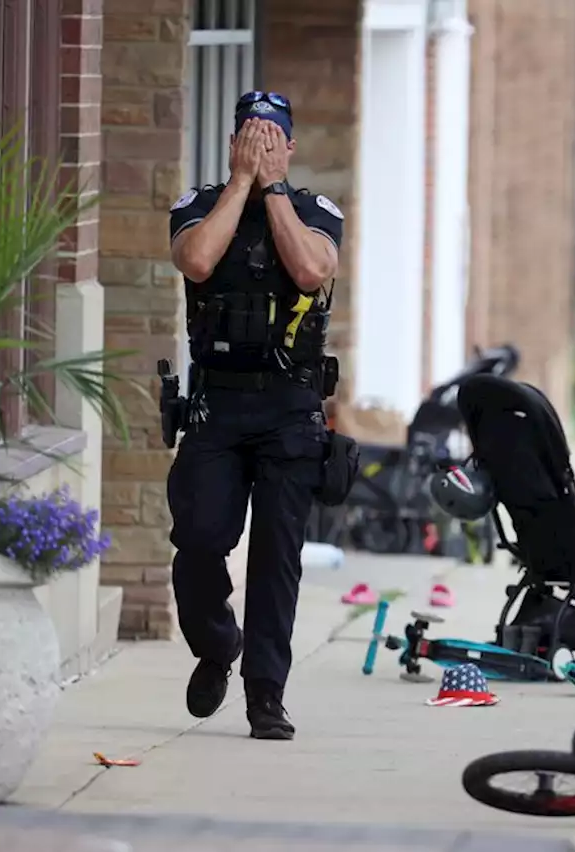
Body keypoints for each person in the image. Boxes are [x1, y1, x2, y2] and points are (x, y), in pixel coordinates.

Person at [165, 91, 344, 741]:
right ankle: (217, 646)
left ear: (291, 147)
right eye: (251, 135)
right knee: (199, 541)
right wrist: (241, 182)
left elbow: (307, 269)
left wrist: (271, 189)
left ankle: (266, 693)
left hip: (289, 408)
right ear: (233, 142)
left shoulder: (314, 212)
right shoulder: (198, 205)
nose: (263, 143)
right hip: (218, 405)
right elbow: (198, 261)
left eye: (273, 137)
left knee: (277, 558)